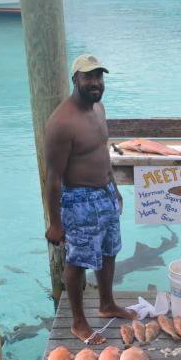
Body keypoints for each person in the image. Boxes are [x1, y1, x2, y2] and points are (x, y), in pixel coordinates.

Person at [43, 54, 134, 343]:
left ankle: (106, 303)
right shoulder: (61, 122)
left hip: (105, 192)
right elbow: (53, 177)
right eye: (88, 77)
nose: (95, 83)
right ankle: (78, 322)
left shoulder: (99, 108)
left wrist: (114, 187)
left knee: (109, 250)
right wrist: (55, 223)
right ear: (75, 80)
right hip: (79, 199)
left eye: (99, 77)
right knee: (78, 261)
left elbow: (101, 151)